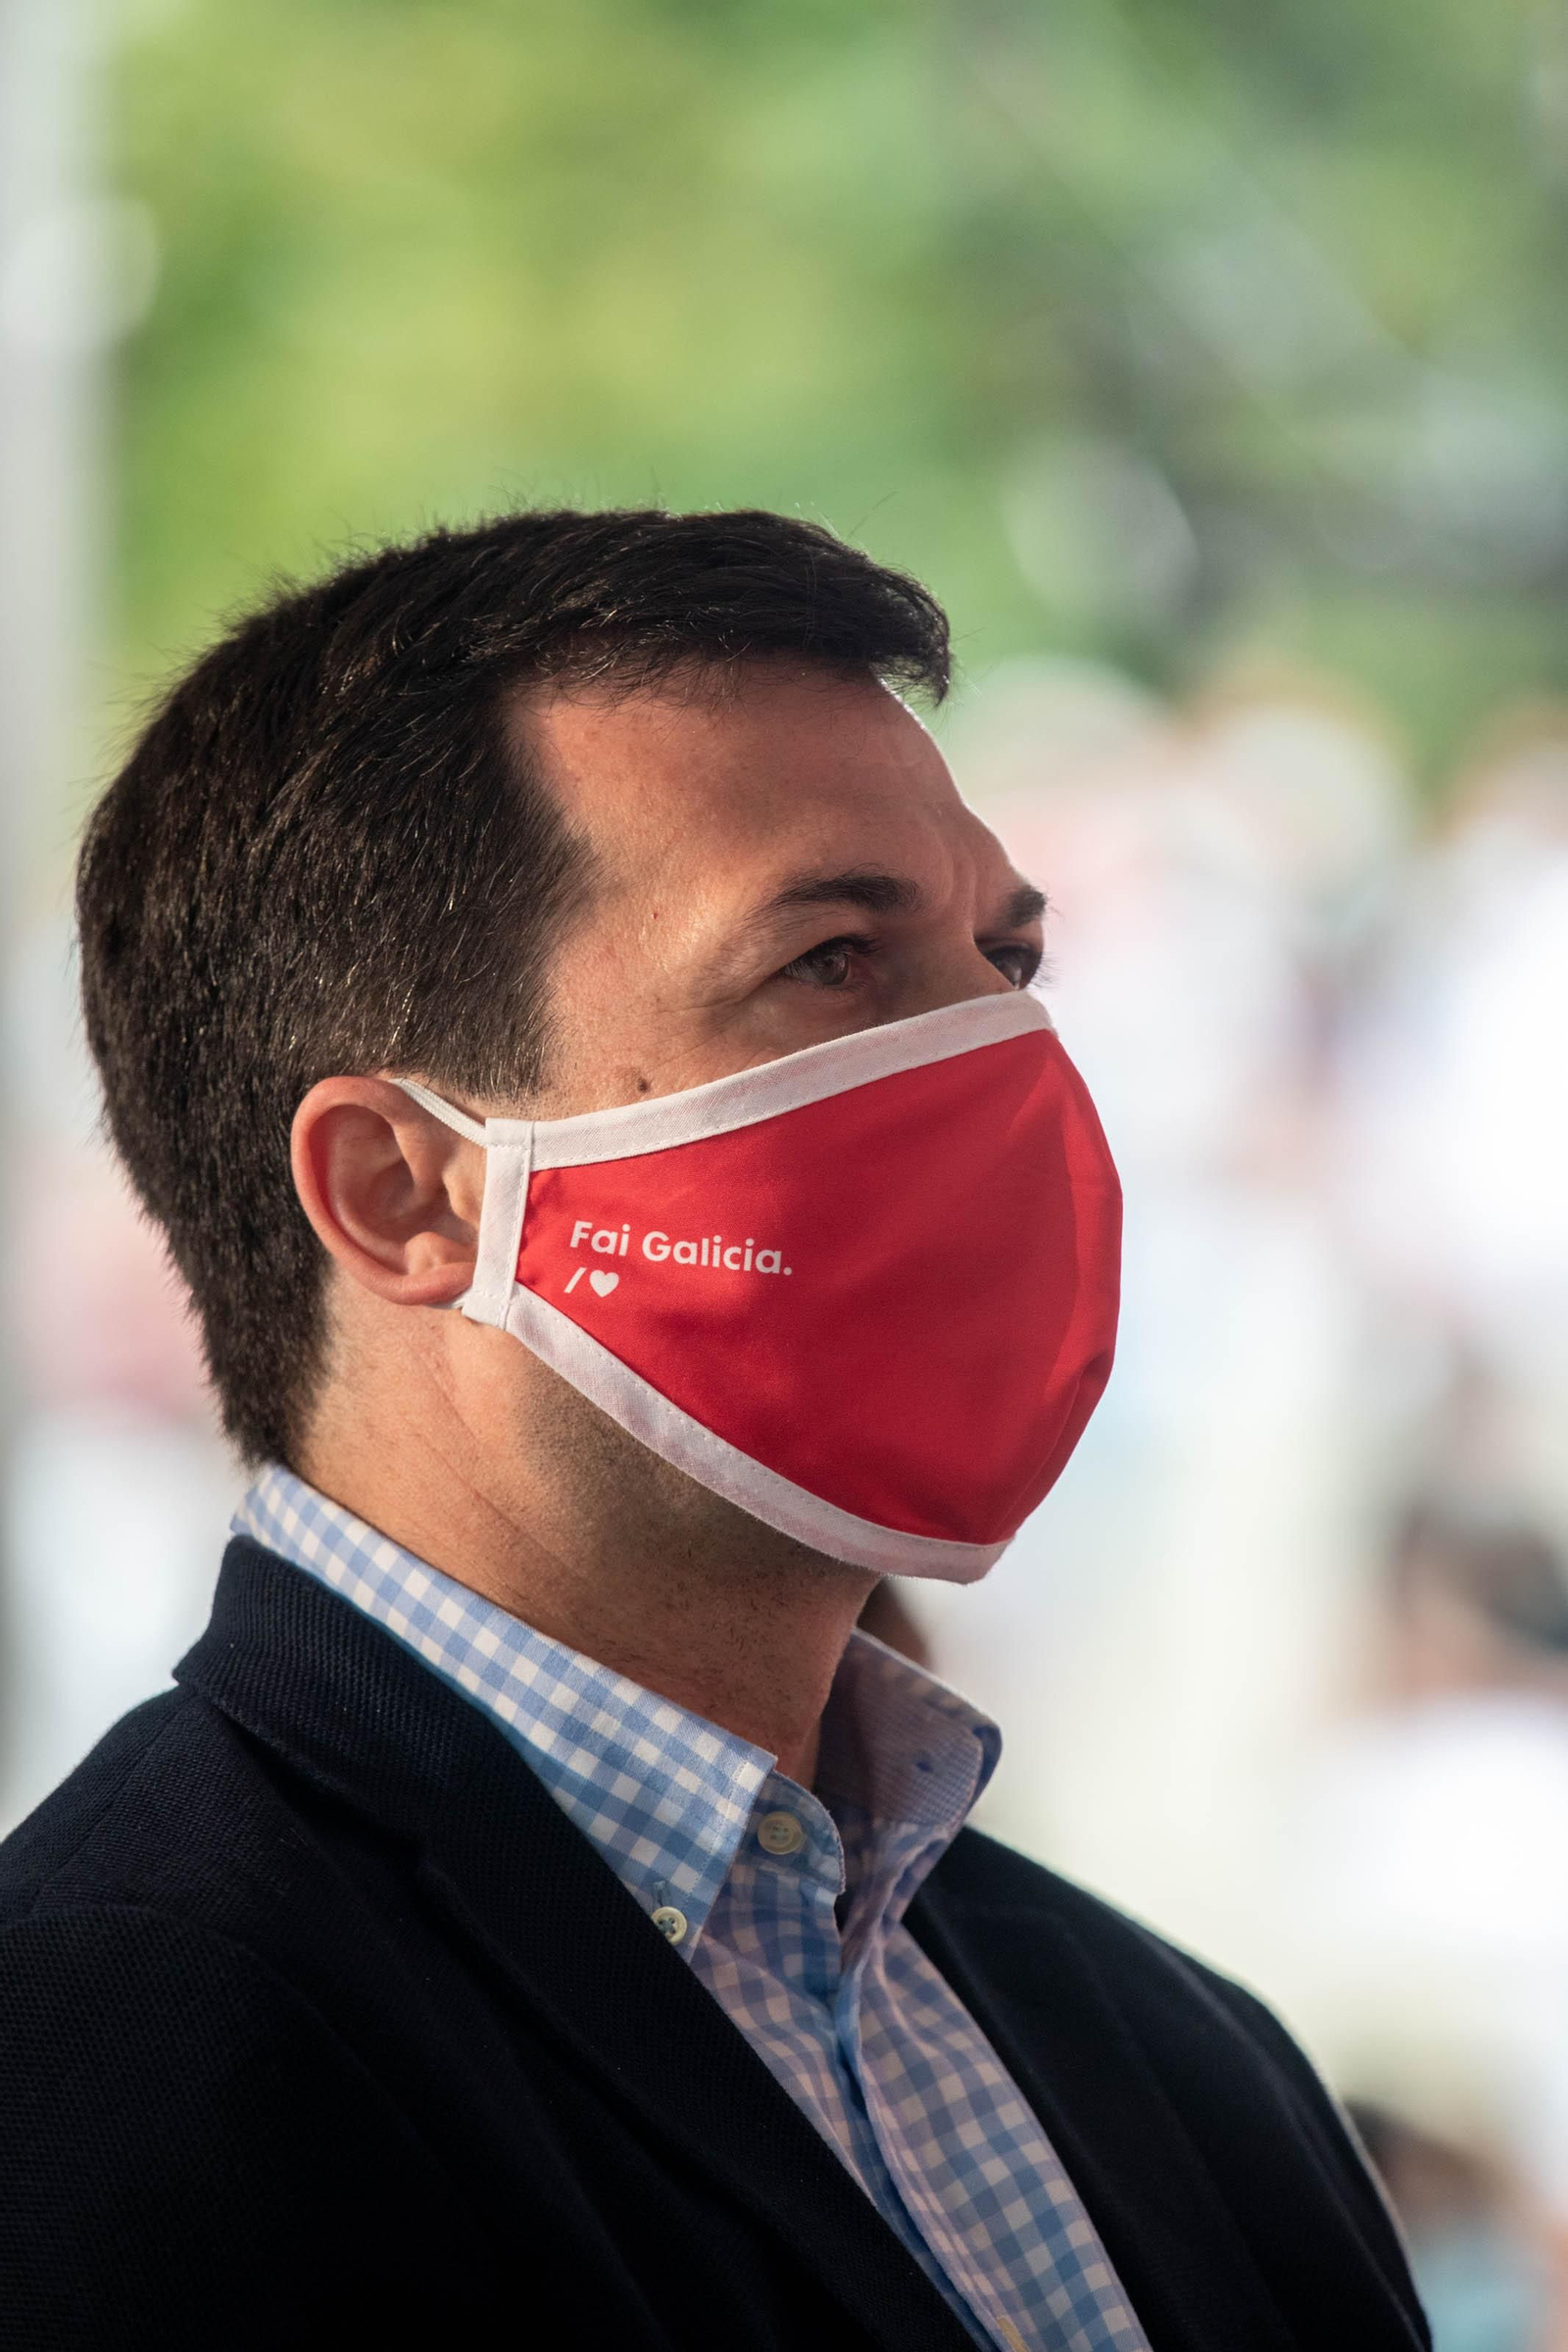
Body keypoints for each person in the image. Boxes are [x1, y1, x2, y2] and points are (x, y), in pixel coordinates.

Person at [0, 510, 1427, 2350]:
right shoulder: (113, 2087)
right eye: (834, 961)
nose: (1003, 1063)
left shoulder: (1169, 2055)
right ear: (404, 1191)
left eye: (1010, 960)